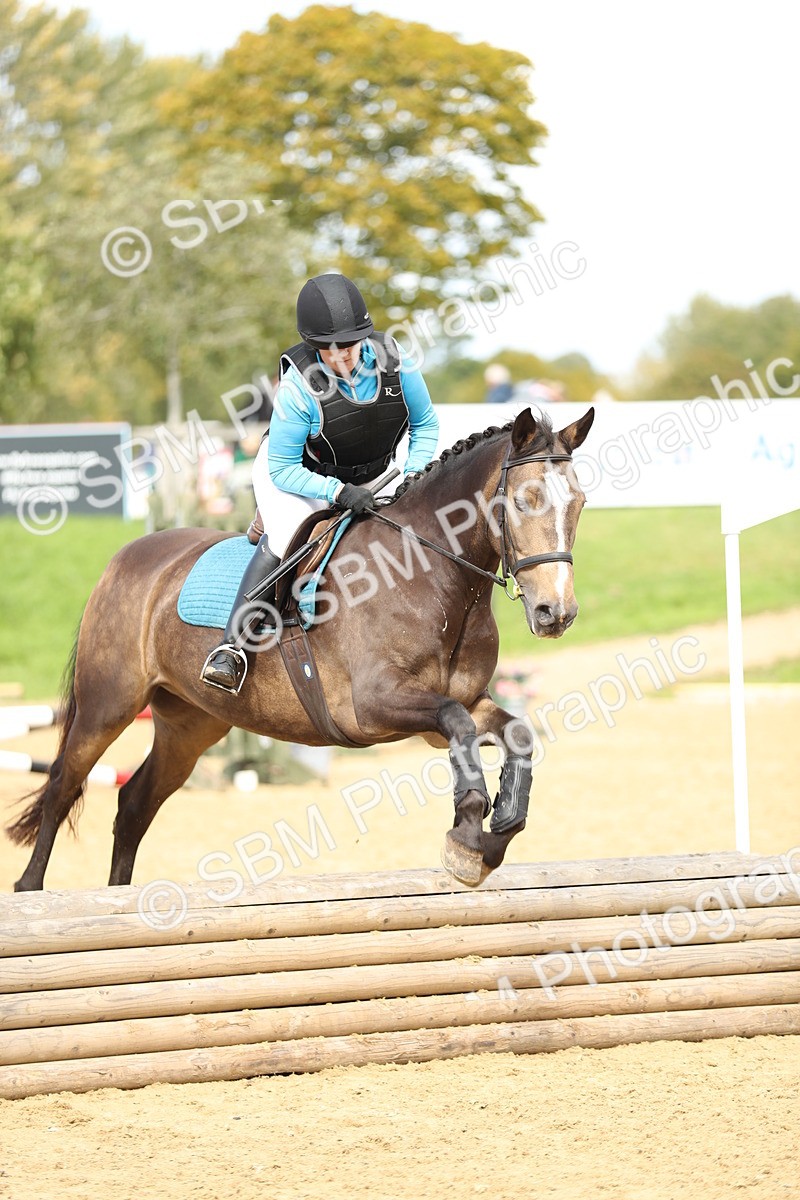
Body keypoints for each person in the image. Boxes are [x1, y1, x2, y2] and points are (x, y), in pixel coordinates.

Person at [201, 272, 440, 693]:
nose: (341, 356)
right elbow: (282, 468)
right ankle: (232, 648)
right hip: (298, 475)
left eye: (348, 345)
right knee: (287, 539)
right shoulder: (298, 388)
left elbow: (426, 424)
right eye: (329, 349)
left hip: (375, 472)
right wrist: (338, 493)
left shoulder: (397, 363)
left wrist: (415, 472)